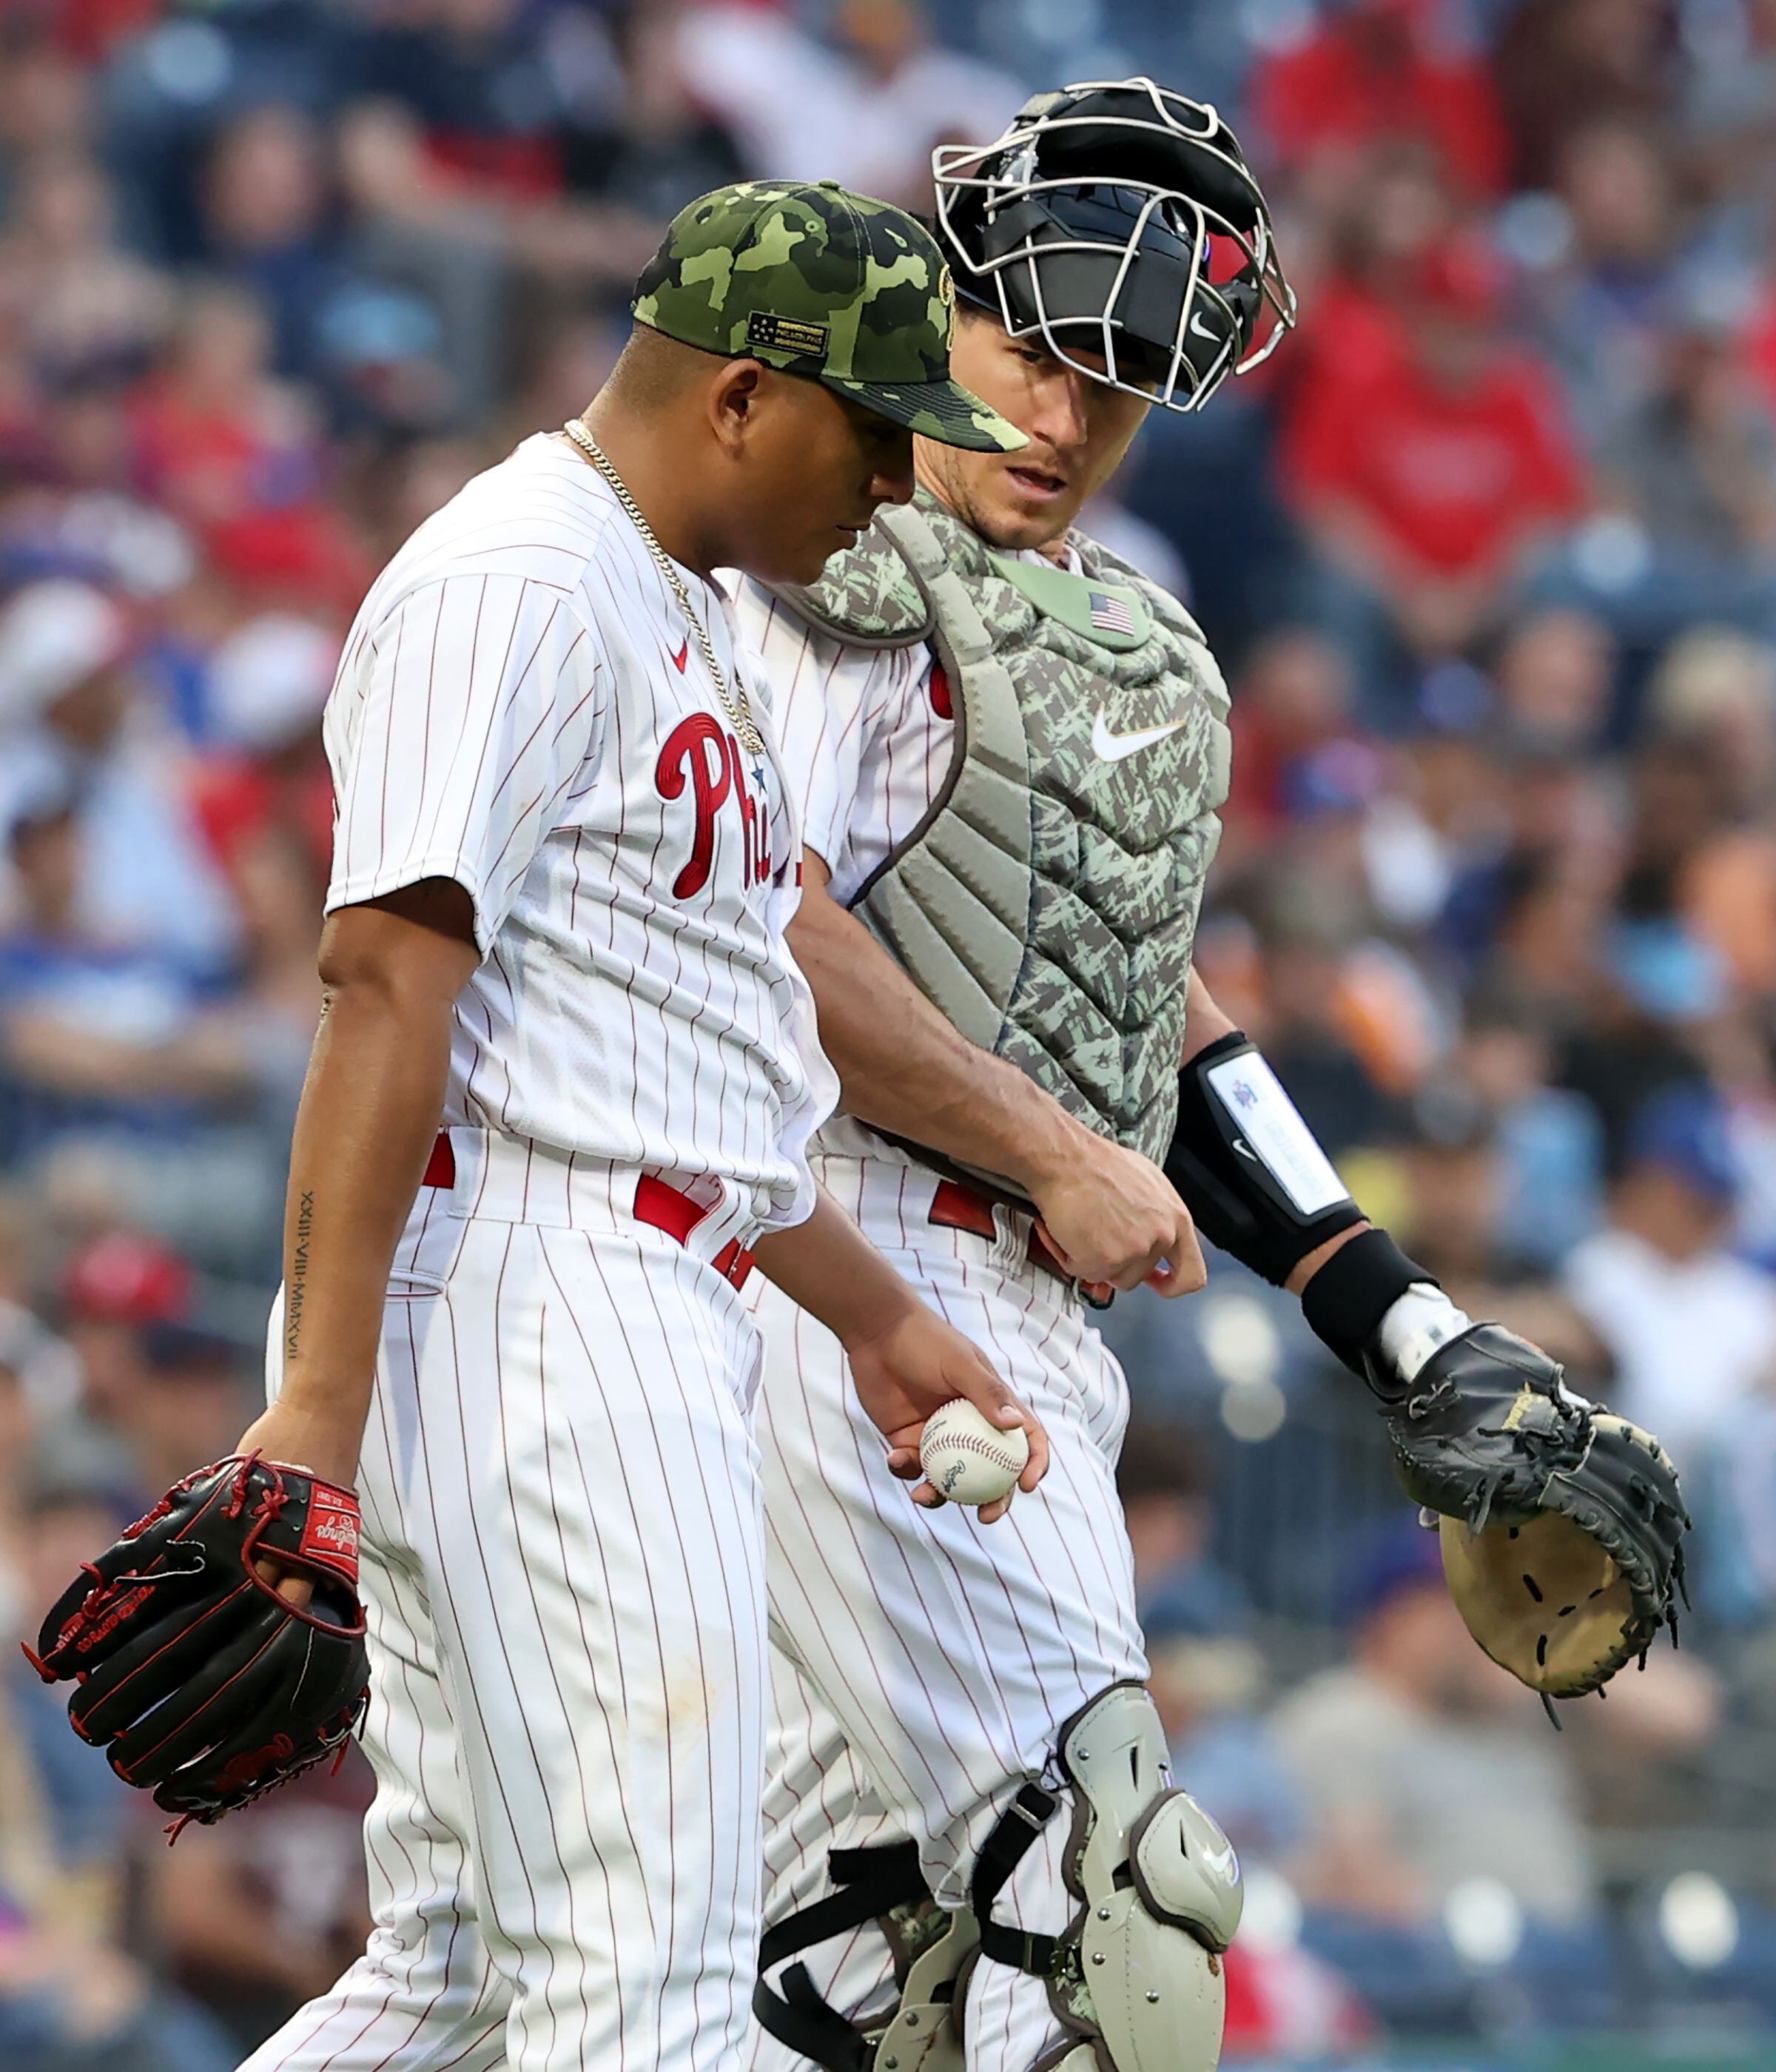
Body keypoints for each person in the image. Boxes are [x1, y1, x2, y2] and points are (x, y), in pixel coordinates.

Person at [730, 82, 1604, 2072]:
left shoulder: (1135, 627)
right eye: (1034, 352)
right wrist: (1052, 1146)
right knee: (1112, 1889)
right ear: (940, 306)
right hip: (847, 1278)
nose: (1059, 421)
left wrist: (1388, 1311)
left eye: (1119, 387)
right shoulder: (830, 557)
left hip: (1021, 1322)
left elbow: (1150, 1000)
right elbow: (758, 926)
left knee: (826, 1990)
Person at [227, 180, 1047, 2072]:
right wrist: (317, 1417)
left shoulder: (665, 596)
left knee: (453, 1973)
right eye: (877, 429)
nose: (904, 483)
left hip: (605, 1271)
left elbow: (654, 1054)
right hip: (544, 1312)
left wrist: (872, 1311)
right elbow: (385, 984)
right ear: (748, 396)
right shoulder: (515, 577)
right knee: (649, 1991)